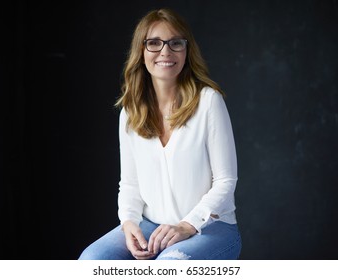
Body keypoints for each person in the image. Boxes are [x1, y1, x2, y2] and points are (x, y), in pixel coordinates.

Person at [78, 8, 241, 260]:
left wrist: (187, 225)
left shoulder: (209, 102)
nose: (166, 51)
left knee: (168, 268)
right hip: (151, 227)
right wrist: (129, 223)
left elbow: (226, 181)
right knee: (91, 262)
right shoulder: (130, 113)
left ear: (187, 51)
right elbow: (130, 184)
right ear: (141, 52)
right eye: (154, 43)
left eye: (176, 43)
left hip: (209, 229)